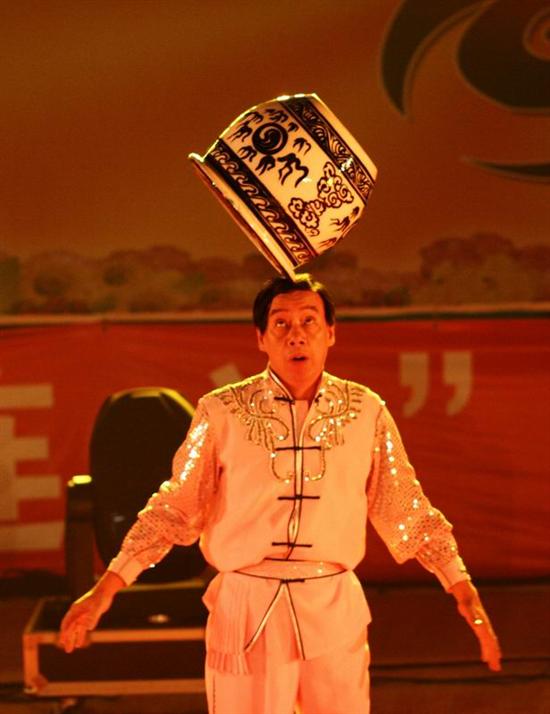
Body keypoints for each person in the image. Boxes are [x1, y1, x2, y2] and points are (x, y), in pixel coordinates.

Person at [59, 273, 501, 713]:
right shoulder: (222, 411)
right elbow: (174, 508)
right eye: (281, 324)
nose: (296, 335)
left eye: (309, 321)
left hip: (332, 606)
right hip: (246, 606)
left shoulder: (365, 411)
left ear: (331, 333)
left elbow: (406, 508)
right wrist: (107, 587)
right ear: (261, 338)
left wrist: (459, 585)